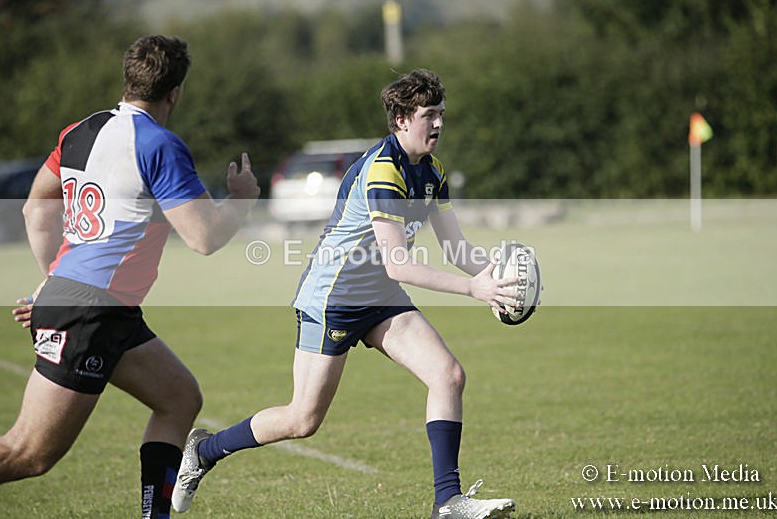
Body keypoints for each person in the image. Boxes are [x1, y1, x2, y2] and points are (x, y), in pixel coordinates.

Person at [172, 69, 518, 519]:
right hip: (333, 296)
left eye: (441, 115)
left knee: (448, 375)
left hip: (380, 295)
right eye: (428, 115)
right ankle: (204, 452)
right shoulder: (383, 172)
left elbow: (455, 247)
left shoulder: (432, 171)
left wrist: (498, 279)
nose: (437, 124)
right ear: (400, 119)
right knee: (302, 420)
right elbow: (400, 263)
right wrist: (474, 288)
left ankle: (448, 503)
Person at [0, 35, 259, 518]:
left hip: (102, 307)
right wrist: (240, 198)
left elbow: (35, 209)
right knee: (26, 453)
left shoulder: (81, 130)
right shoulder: (159, 143)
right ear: (175, 92)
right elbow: (202, 238)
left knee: (179, 397)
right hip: (90, 309)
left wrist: (55, 280)